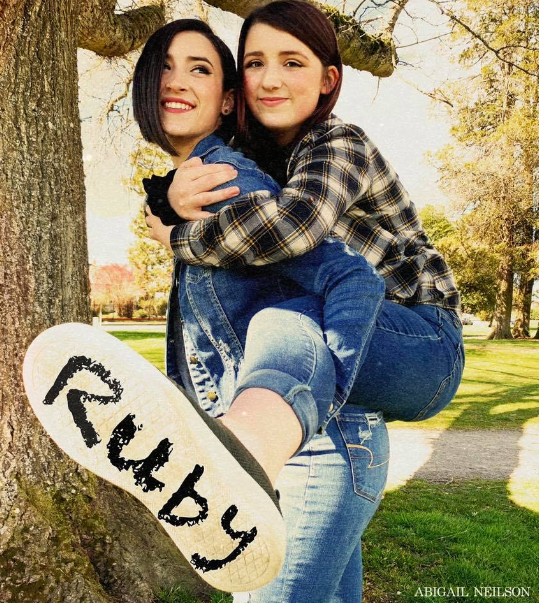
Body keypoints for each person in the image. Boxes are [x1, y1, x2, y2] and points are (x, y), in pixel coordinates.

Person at [144, 2, 464, 602]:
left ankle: (241, 453)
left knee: (288, 317)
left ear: (328, 79)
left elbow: (297, 225)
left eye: (292, 62)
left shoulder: (340, 142)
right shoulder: (259, 162)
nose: (270, 79)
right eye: (255, 63)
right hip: (352, 389)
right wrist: (163, 199)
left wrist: (178, 235)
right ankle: (239, 444)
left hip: (422, 342)